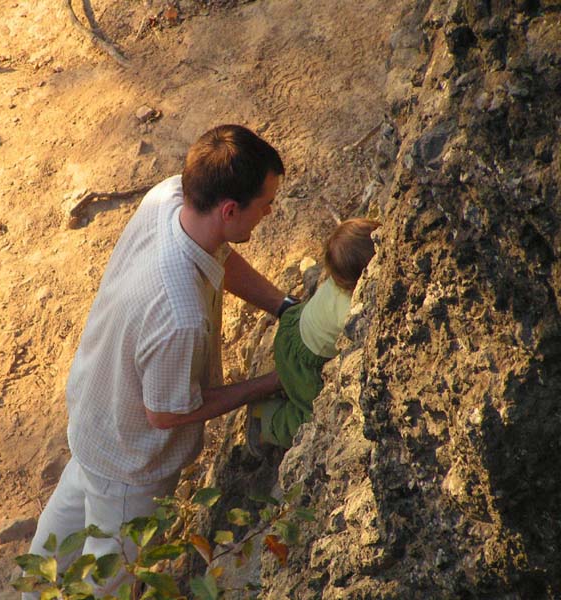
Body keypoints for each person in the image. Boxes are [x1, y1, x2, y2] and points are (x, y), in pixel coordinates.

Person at [21, 124, 293, 596]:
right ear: (229, 210)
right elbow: (166, 412)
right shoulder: (180, 314)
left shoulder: (168, 199)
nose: (269, 212)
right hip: (131, 470)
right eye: (265, 203)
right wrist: (269, 382)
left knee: (48, 565)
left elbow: (219, 256)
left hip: (94, 424)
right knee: (111, 586)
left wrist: (285, 308)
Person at [247, 218, 380, 454]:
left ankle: (286, 387)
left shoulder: (339, 276)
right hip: (305, 363)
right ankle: (266, 419)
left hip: (292, 323)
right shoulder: (350, 308)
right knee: (313, 417)